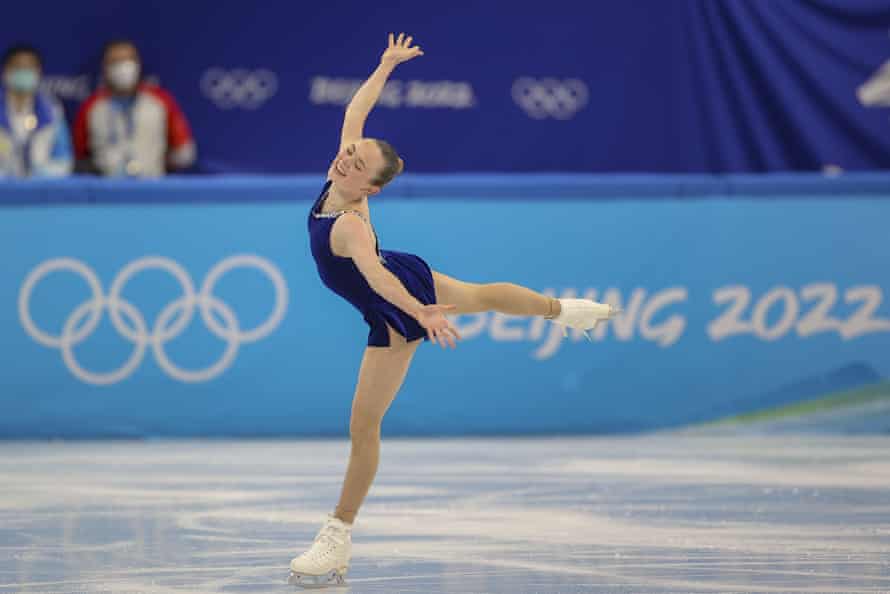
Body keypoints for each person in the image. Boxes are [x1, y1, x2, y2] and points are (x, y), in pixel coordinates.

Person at [289, 33, 618, 586]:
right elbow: (355, 109)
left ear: (371, 186)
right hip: (404, 276)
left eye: (356, 161)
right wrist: (386, 65)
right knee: (484, 294)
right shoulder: (337, 174)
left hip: (394, 305)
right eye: (350, 152)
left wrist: (421, 313)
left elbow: (374, 277)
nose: (346, 158)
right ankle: (564, 311)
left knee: (363, 427)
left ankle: (336, 537)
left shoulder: (350, 224)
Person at [73, 39, 195, 177]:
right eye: (115, 62)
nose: (123, 68)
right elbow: (79, 155)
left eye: (129, 60)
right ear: (105, 67)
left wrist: (157, 163)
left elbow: (184, 152)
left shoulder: (160, 100)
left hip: (152, 188)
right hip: (107, 191)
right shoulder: (91, 106)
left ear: (138, 64)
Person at [0, 44, 73, 178]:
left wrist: (37, 177)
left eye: (29, 68)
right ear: (5, 71)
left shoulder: (52, 111)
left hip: (39, 190)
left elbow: (64, 161)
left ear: (38, 72)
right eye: (17, 67)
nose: (23, 72)